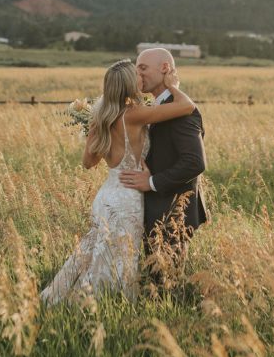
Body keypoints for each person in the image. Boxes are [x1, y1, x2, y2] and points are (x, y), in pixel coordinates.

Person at [40, 58, 196, 304]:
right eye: (137, 75)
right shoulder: (134, 115)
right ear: (127, 83)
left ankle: (74, 298)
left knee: (96, 252)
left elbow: (88, 162)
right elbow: (187, 106)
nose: (141, 79)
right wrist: (171, 84)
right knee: (122, 257)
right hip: (128, 196)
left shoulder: (100, 117)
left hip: (107, 194)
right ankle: (105, 302)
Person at [119, 48, 207, 283]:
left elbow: (194, 162)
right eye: (137, 68)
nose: (138, 73)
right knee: (157, 279)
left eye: (143, 67)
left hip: (172, 210)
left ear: (165, 68)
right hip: (157, 208)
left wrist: (151, 182)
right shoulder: (158, 107)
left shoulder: (182, 112)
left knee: (166, 282)